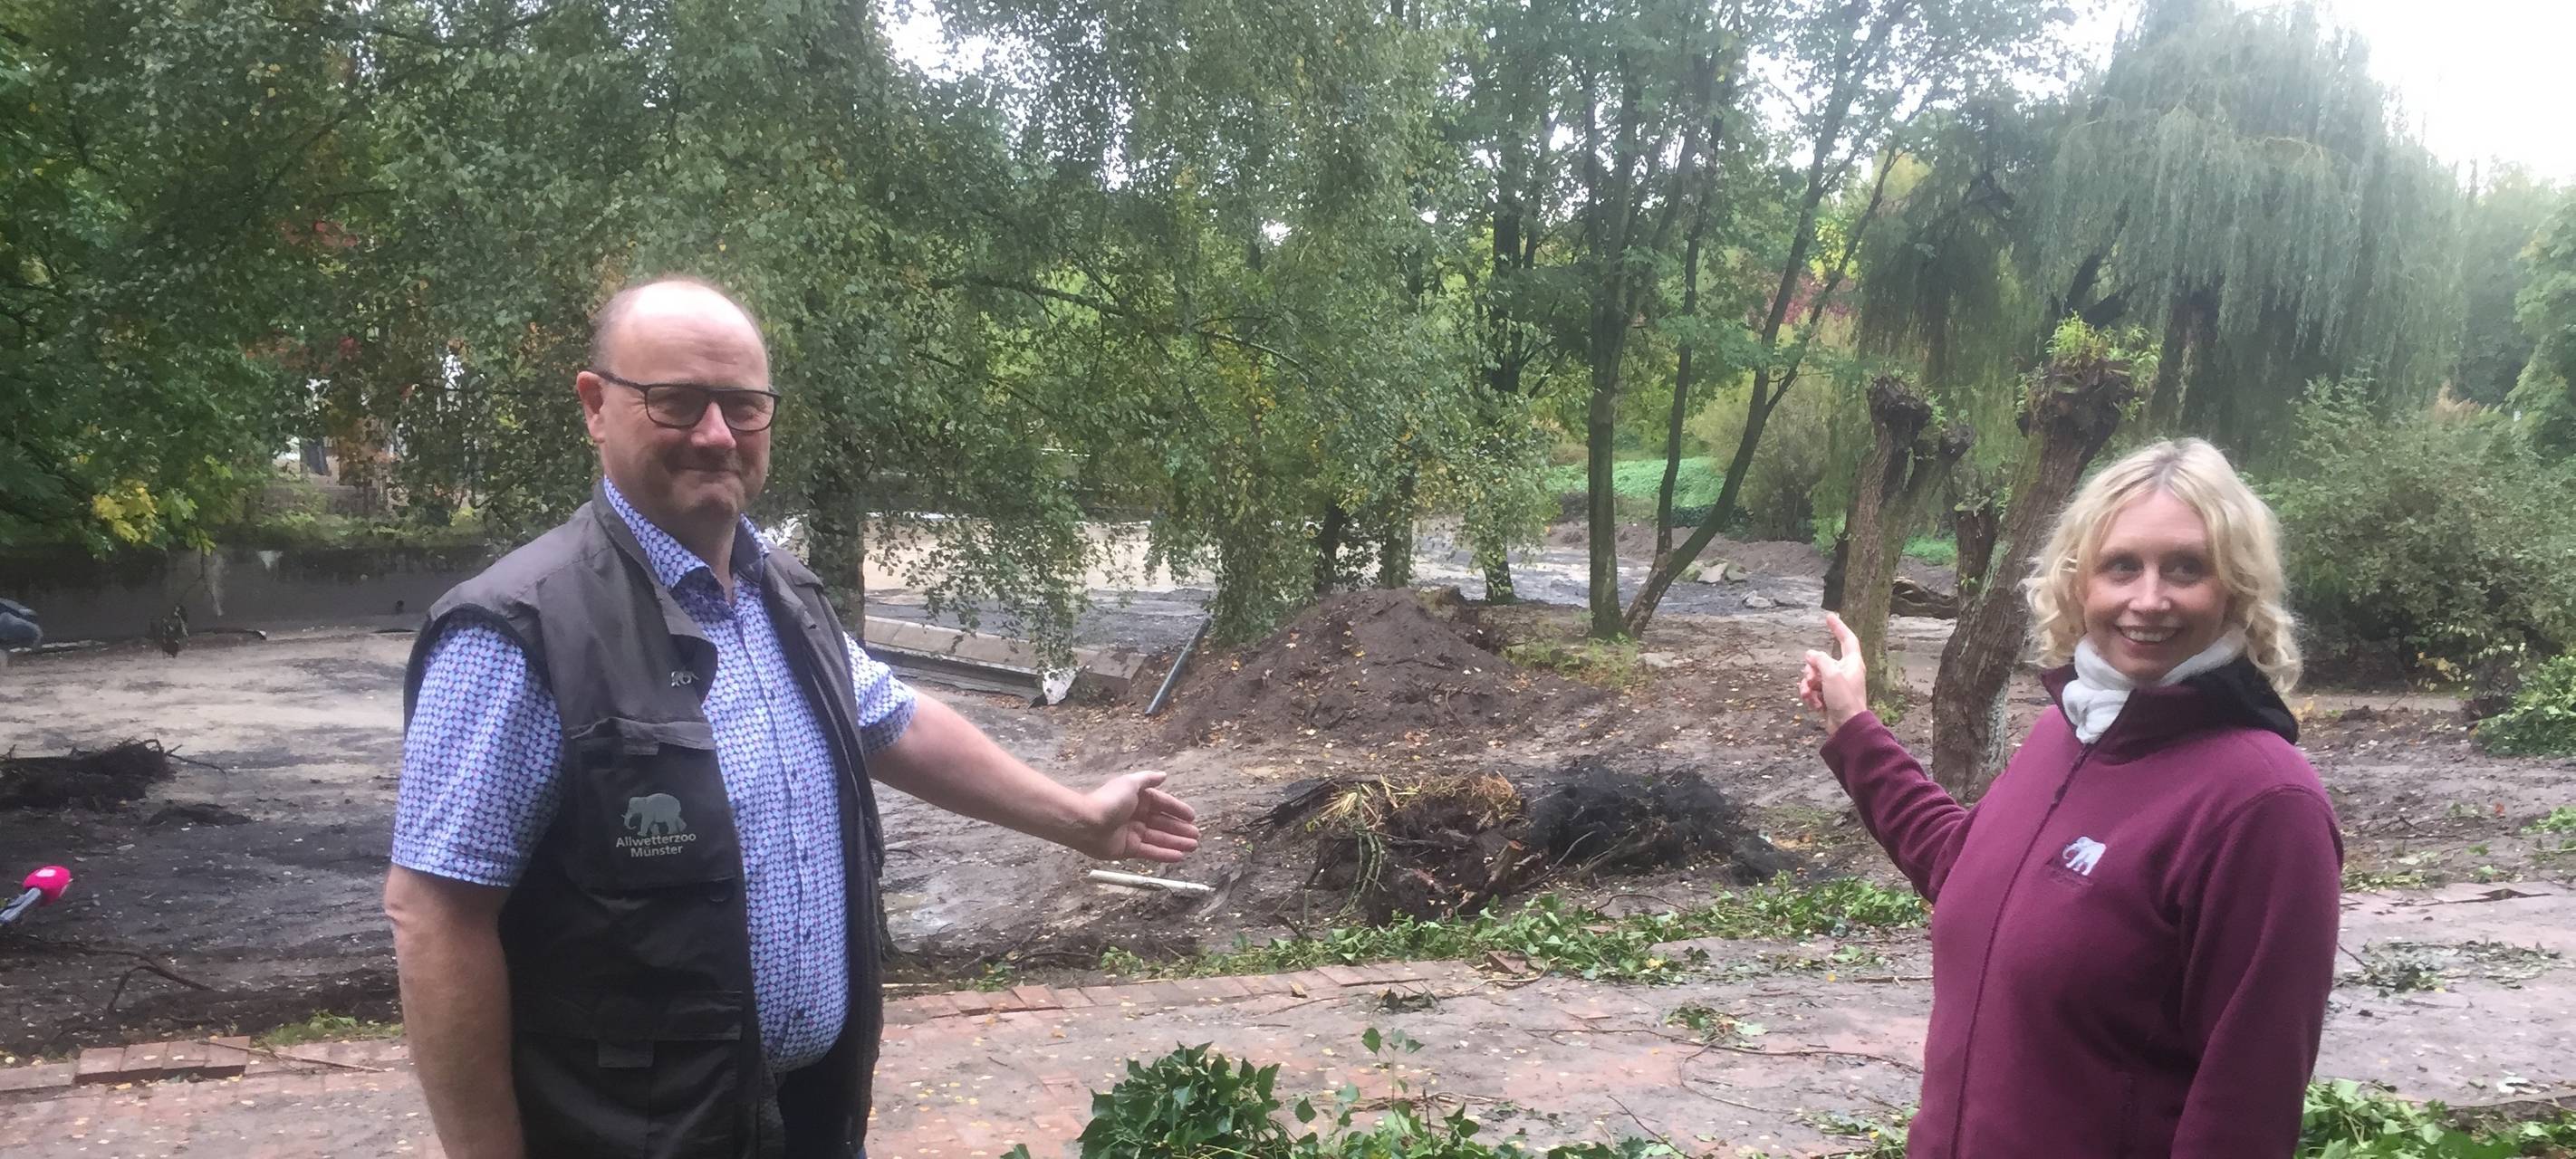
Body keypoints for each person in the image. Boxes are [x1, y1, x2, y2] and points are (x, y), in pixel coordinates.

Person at [386, 275, 1202, 1159]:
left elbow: (894, 721)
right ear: (597, 405)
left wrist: (1080, 818)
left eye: (741, 406)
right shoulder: (519, 629)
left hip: (805, 1117)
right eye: (677, 402)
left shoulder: (781, 592)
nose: (715, 434)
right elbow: (436, 915)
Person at [1796, 437, 2341, 1158]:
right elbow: (1967, 869)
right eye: (2123, 566)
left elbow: (2246, 1112)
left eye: (2186, 568)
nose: (2149, 599)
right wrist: (1856, 728)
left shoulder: (2265, 806)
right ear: (2081, 581)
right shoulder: (2072, 730)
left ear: (2235, 588)